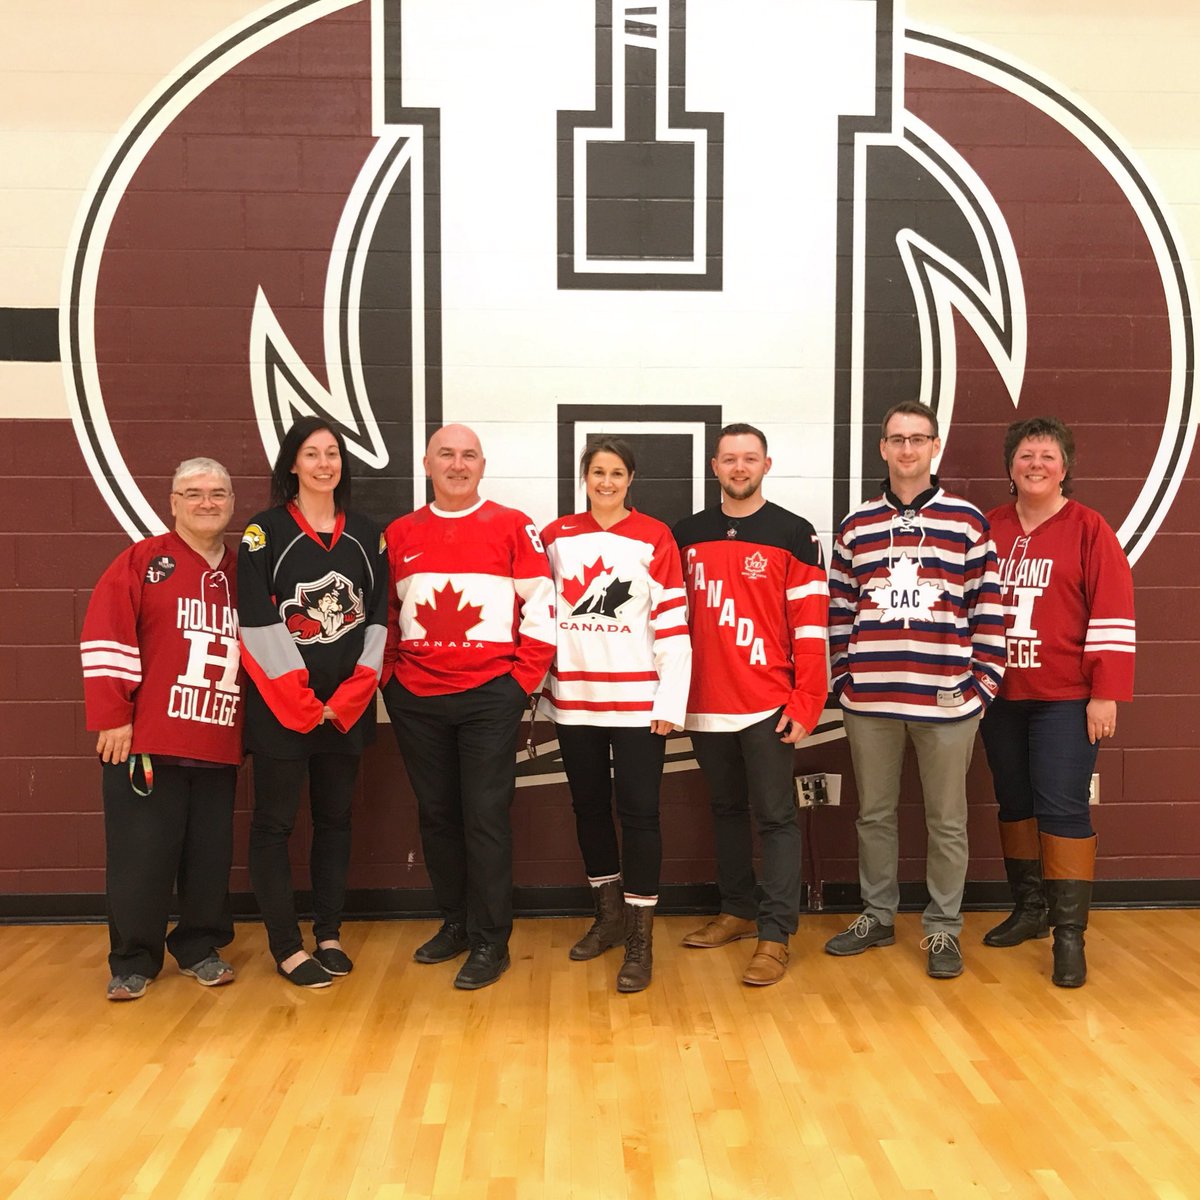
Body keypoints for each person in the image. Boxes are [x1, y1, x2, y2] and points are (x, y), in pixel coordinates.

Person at [824, 400, 1006, 979]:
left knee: (946, 820)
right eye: (896, 439)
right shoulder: (856, 525)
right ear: (882, 448)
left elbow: (990, 610)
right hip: (870, 701)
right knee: (874, 815)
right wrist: (843, 677)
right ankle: (877, 915)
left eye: (917, 439)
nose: (907, 449)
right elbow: (837, 609)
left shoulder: (967, 522)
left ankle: (943, 928)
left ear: (935, 447)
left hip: (947, 700)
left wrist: (980, 687)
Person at [382, 424, 556, 990]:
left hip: (489, 697)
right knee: (437, 816)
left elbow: (543, 607)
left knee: (484, 818)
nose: (458, 465)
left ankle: (490, 941)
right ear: (427, 463)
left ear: (483, 466)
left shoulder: (513, 526)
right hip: (417, 698)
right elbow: (381, 613)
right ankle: (454, 923)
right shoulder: (400, 532)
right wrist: (390, 680)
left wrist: (520, 682)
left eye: (469, 456)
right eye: (446, 455)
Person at [980, 416, 1135, 987]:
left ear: (1065, 467)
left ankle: (1070, 935)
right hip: (1000, 695)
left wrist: (1106, 692)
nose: (1036, 465)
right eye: (1025, 456)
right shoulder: (988, 527)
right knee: (1013, 801)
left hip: (1067, 699)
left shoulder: (1089, 528)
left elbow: (1114, 613)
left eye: (1047, 455)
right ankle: (1030, 910)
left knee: (1063, 807)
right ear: (1010, 467)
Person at [81, 457, 242, 1000]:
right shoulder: (143, 561)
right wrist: (113, 717)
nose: (206, 502)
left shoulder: (245, 573)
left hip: (217, 740)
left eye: (217, 493)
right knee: (140, 857)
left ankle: (200, 946)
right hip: (147, 741)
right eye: (193, 493)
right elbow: (106, 635)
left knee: (208, 858)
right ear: (173, 502)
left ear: (231, 503)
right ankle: (133, 958)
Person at [673, 423, 828, 987]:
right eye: (729, 459)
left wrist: (807, 699)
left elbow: (811, 627)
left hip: (768, 705)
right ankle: (737, 910)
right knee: (725, 811)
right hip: (704, 705)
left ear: (767, 464)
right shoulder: (685, 534)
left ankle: (775, 933)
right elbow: (668, 624)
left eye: (750, 458)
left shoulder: (794, 533)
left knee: (777, 817)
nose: (739, 467)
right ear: (714, 466)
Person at [238, 418, 387, 989]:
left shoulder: (368, 535)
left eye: (332, 453)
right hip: (283, 711)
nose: (324, 463)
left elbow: (377, 621)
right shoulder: (265, 531)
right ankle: (286, 946)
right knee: (274, 825)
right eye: (311, 453)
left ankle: (328, 933)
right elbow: (256, 621)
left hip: (344, 712)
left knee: (335, 821)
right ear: (292, 464)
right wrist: (301, 701)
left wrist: (347, 699)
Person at [540, 437, 692, 993]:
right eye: (598, 471)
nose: (606, 482)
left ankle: (639, 938)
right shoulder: (556, 536)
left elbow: (674, 622)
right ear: (584, 476)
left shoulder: (655, 536)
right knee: (588, 809)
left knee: (641, 815)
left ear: (632, 480)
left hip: (638, 706)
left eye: (617, 473)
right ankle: (606, 916)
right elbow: (539, 613)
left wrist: (669, 702)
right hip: (575, 702)